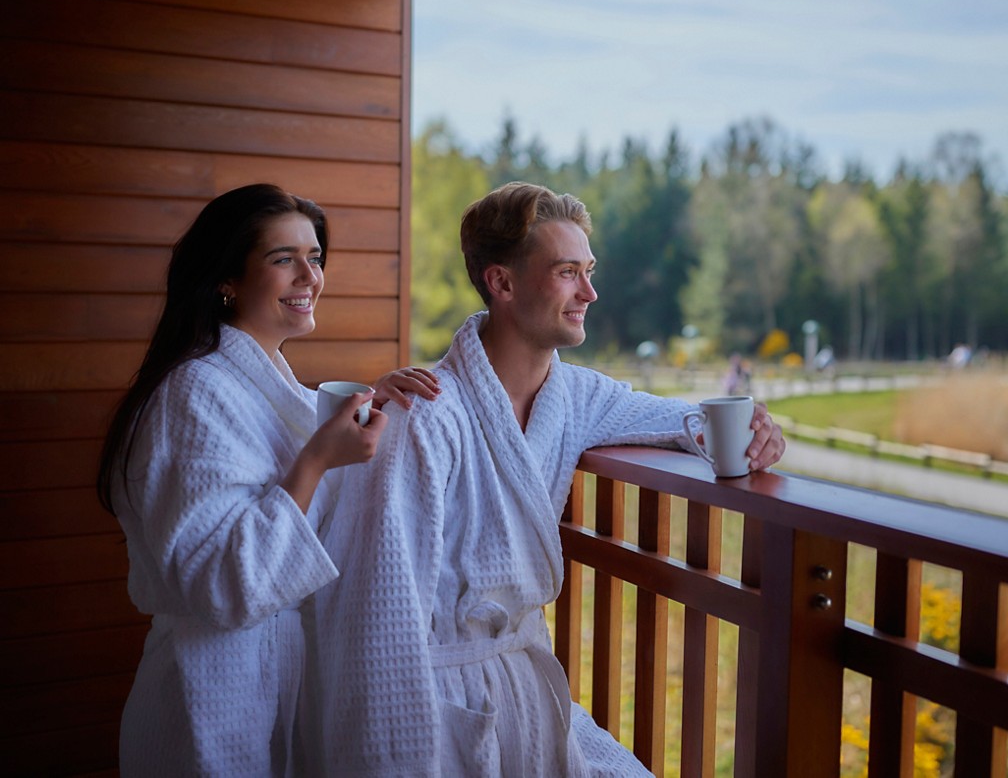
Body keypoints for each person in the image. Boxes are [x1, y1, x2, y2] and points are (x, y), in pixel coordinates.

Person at [309, 182, 785, 775]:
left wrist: (751, 430)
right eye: (567, 273)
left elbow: (676, 418)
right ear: (501, 283)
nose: (590, 292)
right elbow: (380, 610)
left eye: (588, 270)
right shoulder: (427, 413)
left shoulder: (573, 395)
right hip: (435, 704)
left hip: (524, 686)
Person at [95, 184, 440, 776]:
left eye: (316, 257)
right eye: (284, 259)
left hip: (272, 673)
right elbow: (222, 581)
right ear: (226, 279)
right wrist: (315, 462)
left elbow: (288, 459)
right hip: (213, 691)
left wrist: (368, 404)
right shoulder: (194, 393)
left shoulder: (257, 385)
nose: (310, 276)